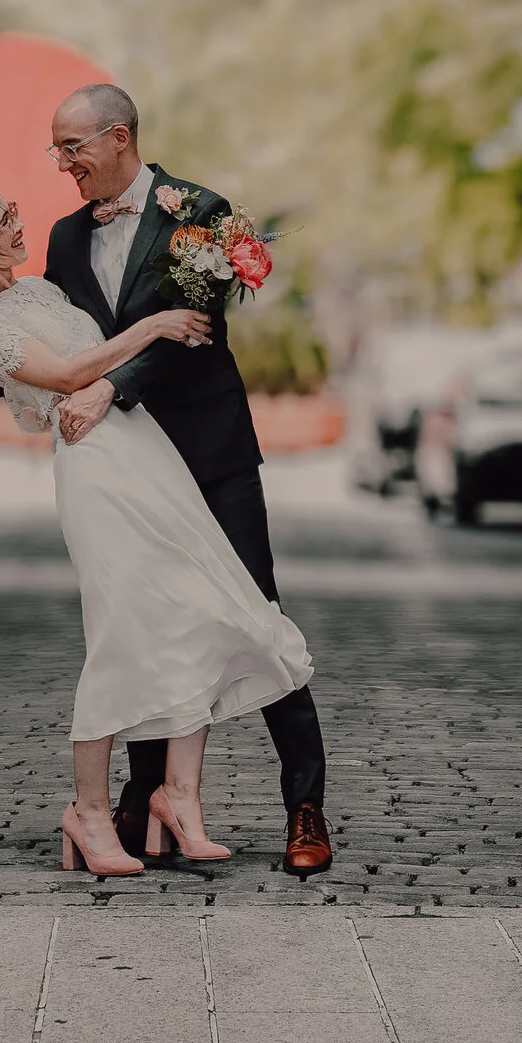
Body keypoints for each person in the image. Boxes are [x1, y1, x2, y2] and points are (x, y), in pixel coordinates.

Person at [0, 177, 316, 880]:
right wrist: (155, 324)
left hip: (158, 445)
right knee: (125, 628)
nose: (25, 209)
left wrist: (16, 375)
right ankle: (95, 811)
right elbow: (66, 369)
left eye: (72, 147)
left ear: (117, 135)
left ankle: (196, 799)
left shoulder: (61, 279)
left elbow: (76, 348)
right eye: (3, 215)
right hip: (95, 458)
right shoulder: (15, 290)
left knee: (206, 608)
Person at [42, 81, 333, 877]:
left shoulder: (199, 212)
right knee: (142, 623)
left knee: (257, 614)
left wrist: (113, 386)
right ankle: (144, 803)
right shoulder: (66, 239)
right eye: (57, 150)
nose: (63, 163)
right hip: (127, 466)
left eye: (73, 147)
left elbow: (191, 331)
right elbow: (61, 344)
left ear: (120, 137)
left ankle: (304, 805)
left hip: (207, 453)